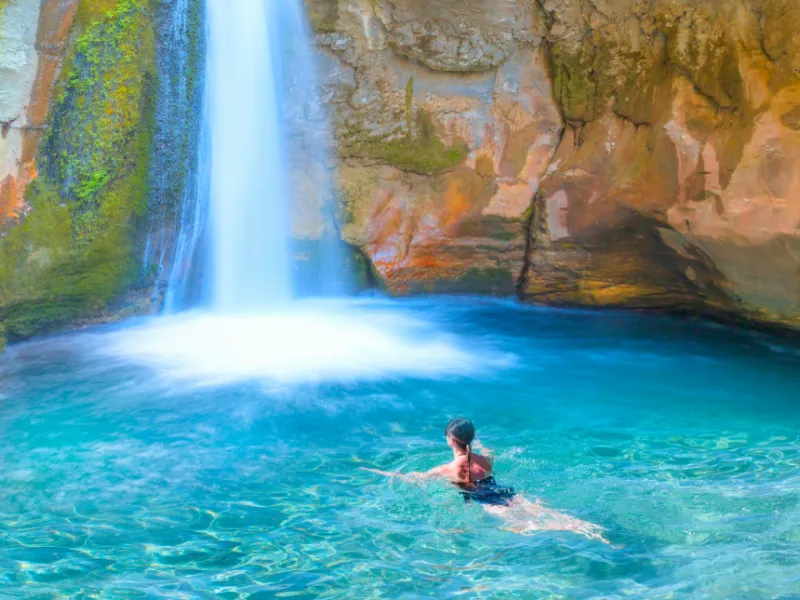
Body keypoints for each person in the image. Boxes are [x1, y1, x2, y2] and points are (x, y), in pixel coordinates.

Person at [362, 418, 609, 544]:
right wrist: (478, 445)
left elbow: (414, 478)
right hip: (504, 491)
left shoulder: (450, 468)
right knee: (541, 511)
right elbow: (489, 452)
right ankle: (587, 528)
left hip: (486, 501)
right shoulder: (485, 459)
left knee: (525, 526)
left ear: (450, 440)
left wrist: (380, 473)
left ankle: (576, 530)